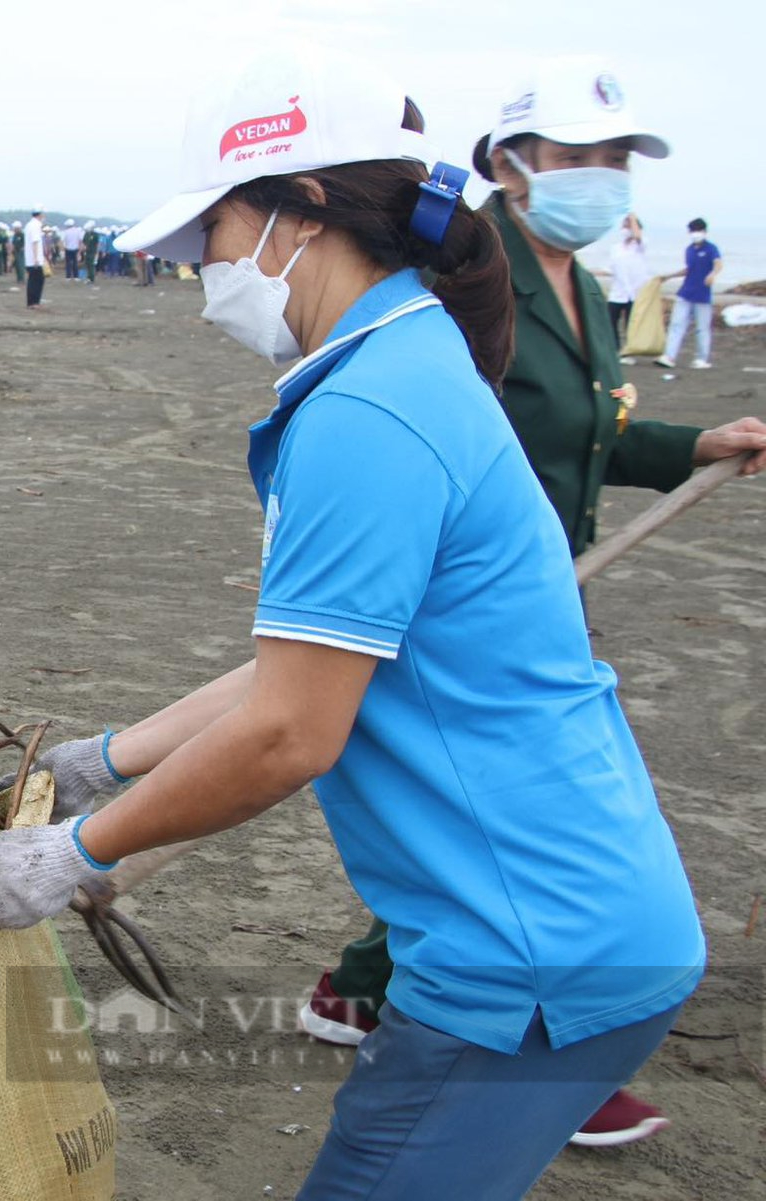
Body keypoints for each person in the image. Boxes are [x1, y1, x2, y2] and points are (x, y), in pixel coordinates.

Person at [0, 51, 708, 1198]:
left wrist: (75, 852)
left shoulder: (366, 409)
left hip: (523, 947)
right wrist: (100, 759)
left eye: (212, 232)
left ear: (295, 214)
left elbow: (290, 734)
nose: (202, 269)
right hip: (578, 910)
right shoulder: (406, 358)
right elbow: (295, 669)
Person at [297, 59, 766, 1150]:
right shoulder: (470, 279)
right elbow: (439, 440)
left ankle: (364, 986)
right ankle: (522, 1024)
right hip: (464, 588)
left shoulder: (583, 285)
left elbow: (584, 434)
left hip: (545, 581)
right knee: (480, 804)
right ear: (507, 165)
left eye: (613, 158)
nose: (599, 176)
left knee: (476, 802)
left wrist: (693, 444)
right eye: (574, 156)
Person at [658, 218, 720, 369]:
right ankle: (669, 356)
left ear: (704, 232)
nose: (695, 234)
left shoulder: (711, 248)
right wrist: (669, 276)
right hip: (685, 292)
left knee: (702, 328)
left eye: (697, 231)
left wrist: (712, 275)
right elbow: (688, 269)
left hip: (702, 295)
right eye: (692, 231)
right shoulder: (689, 249)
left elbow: (718, 263)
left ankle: (702, 358)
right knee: (676, 324)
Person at [605, 214, 650, 353]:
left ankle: (628, 351)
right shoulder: (616, 248)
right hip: (618, 292)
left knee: (630, 324)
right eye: (624, 226)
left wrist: (632, 218)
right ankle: (615, 350)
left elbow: (638, 236)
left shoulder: (639, 245)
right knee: (610, 321)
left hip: (635, 292)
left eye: (628, 226)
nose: (625, 229)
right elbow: (609, 269)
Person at [22, 208, 46, 307]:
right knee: (37, 281)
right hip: (34, 260)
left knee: (34, 280)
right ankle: (34, 302)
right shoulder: (36, 225)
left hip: (30, 259)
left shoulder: (29, 225)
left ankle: (32, 302)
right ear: (40, 215)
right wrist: (36, 258)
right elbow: (35, 242)